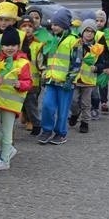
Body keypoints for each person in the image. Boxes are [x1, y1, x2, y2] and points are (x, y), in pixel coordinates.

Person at [0, 28, 32, 171]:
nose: (10, 48)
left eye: (13, 45)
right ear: (2, 46)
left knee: (7, 131)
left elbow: (29, 82)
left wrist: (20, 85)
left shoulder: (23, 63)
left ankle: (5, 160)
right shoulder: (0, 59)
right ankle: (9, 149)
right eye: (7, 45)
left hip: (11, 103)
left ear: (18, 46)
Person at [38, 8, 78, 145]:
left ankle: (60, 133)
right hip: (51, 80)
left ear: (65, 25)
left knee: (63, 110)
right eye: (53, 24)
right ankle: (47, 130)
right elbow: (45, 59)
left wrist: (70, 78)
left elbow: (77, 62)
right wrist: (44, 73)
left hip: (65, 82)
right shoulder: (51, 40)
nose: (54, 27)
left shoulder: (73, 41)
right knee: (47, 106)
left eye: (57, 24)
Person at [68, 20, 108, 134]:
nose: (89, 34)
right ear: (82, 31)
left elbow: (102, 63)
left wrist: (97, 68)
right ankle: (75, 114)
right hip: (75, 78)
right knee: (74, 101)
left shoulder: (97, 48)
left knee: (86, 103)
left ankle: (85, 122)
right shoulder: (75, 44)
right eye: (86, 31)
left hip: (88, 80)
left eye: (92, 31)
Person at [19, 15, 44, 136]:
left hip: (33, 81)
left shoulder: (38, 44)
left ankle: (36, 123)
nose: (27, 29)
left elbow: (40, 62)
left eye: (30, 26)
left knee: (31, 104)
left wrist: (43, 73)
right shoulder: (15, 43)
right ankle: (24, 116)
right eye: (24, 26)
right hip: (18, 79)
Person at [94, 10, 109, 113]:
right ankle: (93, 102)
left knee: (103, 83)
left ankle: (104, 102)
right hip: (95, 60)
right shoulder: (92, 32)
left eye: (101, 21)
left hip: (105, 60)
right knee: (94, 82)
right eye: (97, 20)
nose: (99, 23)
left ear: (105, 21)